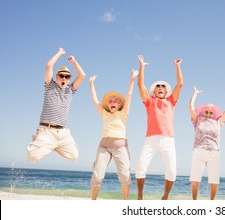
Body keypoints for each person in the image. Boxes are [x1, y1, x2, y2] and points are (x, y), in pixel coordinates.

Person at [135, 55, 183, 200]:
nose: (160, 87)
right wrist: (142, 66)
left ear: (166, 91)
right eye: (158, 86)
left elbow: (179, 85)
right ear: (154, 91)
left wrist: (177, 66)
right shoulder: (149, 101)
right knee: (139, 169)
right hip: (151, 139)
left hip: (168, 140)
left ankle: (165, 196)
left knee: (172, 172)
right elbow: (140, 85)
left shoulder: (171, 101)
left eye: (163, 86)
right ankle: (140, 196)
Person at [27, 47, 85, 162]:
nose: (64, 78)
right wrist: (60, 53)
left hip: (62, 133)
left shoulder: (70, 90)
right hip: (47, 130)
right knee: (33, 157)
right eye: (62, 76)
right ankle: (42, 142)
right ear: (57, 77)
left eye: (67, 76)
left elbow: (82, 75)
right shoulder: (50, 86)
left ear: (69, 79)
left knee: (74, 156)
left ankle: (51, 145)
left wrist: (73, 61)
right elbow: (49, 65)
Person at [89, 68, 138, 200]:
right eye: (110, 102)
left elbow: (129, 95)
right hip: (103, 147)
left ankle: (126, 203)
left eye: (115, 101)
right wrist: (91, 83)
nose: (112, 103)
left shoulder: (123, 114)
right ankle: (92, 201)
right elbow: (95, 100)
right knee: (97, 175)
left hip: (120, 147)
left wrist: (132, 80)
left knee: (124, 176)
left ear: (120, 104)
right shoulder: (104, 113)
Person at [189, 86, 225, 200]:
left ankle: (212, 203)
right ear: (202, 112)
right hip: (198, 151)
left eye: (211, 112)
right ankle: (194, 202)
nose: (208, 114)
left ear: (213, 115)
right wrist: (195, 93)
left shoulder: (218, 122)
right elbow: (191, 106)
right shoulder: (198, 120)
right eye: (206, 111)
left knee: (214, 181)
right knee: (195, 180)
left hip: (214, 153)